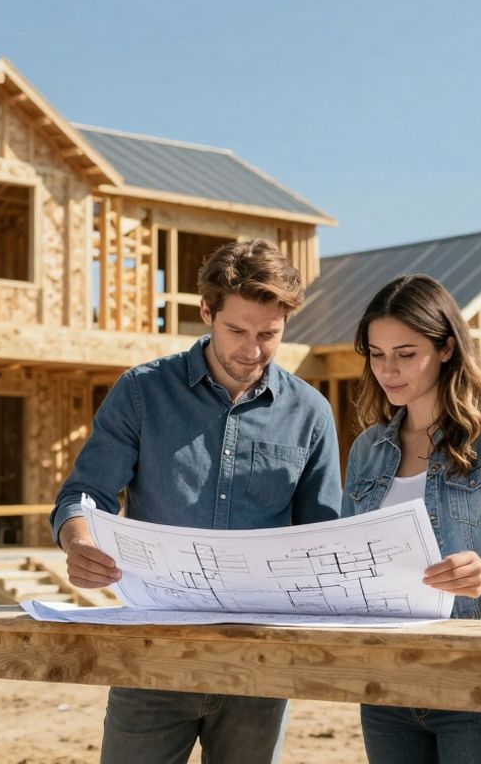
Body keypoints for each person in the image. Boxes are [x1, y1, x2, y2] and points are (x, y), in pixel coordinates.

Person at [51, 239, 342, 764]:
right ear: (206, 312)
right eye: (237, 331)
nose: (252, 350)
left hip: (260, 661)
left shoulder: (311, 413)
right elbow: (85, 493)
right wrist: (78, 539)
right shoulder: (141, 393)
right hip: (153, 654)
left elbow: (320, 534)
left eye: (269, 334)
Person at [341, 273, 481, 764]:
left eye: (405, 353)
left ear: (445, 349)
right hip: (387, 685)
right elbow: (349, 560)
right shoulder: (367, 450)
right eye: (376, 354)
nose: (388, 370)